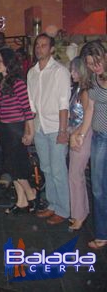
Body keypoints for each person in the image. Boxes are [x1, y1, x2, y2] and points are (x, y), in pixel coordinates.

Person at [27, 33, 71, 225]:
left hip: (56, 127)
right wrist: (30, 129)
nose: (39, 48)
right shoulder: (32, 72)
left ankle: (64, 210)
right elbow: (30, 104)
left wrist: (63, 131)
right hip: (39, 127)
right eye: (37, 45)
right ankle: (53, 205)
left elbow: (64, 103)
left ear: (51, 49)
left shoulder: (60, 71)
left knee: (58, 170)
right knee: (46, 168)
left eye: (44, 45)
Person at [0, 48, 36, 215]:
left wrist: (29, 132)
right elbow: (0, 110)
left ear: (8, 63)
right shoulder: (1, 84)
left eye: (0, 61)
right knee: (11, 166)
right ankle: (21, 201)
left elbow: (27, 110)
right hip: (6, 129)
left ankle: (31, 195)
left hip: (16, 128)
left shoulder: (18, 83)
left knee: (15, 166)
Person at [71, 41, 107, 249]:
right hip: (100, 137)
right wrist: (82, 135)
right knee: (98, 189)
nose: (96, 67)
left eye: (97, 61)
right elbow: (90, 110)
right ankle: (102, 233)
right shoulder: (93, 80)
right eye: (91, 64)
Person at [67, 57, 92, 231]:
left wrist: (77, 134)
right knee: (77, 175)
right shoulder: (79, 89)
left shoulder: (85, 91)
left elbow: (87, 118)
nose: (71, 73)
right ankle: (81, 212)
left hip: (82, 133)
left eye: (74, 70)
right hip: (77, 132)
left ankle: (79, 215)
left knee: (75, 176)